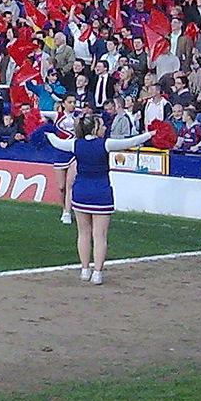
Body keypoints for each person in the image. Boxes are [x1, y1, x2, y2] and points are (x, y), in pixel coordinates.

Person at [46, 117, 155, 285]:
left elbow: (55, 141)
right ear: (95, 128)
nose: (105, 127)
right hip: (101, 192)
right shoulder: (105, 144)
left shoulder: (75, 144)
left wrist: (45, 130)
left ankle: (84, 270)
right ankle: (97, 273)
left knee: (83, 233)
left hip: (81, 192)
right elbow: (131, 142)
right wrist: (151, 134)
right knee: (100, 235)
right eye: (102, 125)